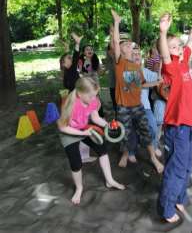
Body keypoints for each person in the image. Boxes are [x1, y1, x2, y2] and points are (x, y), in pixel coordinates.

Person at [157, 1, 192, 223]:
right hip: (176, 126)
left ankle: (178, 197)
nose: (178, 47)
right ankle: (166, 209)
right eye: (173, 45)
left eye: (178, 44)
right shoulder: (171, 66)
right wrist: (163, 32)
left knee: (186, 166)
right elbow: (165, 53)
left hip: (187, 125)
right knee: (175, 169)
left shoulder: (185, 60)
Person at [57, 77, 125, 205]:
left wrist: (107, 125)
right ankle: (79, 188)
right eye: (90, 96)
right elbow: (62, 127)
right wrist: (83, 133)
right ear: (80, 94)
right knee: (75, 161)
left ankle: (109, 180)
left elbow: (95, 117)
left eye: (95, 95)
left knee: (102, 148)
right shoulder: (70, 104)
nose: (93, 99)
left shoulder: (93, 100)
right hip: (69, 132)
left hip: (84, 128)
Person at [111, 9, 163, 173]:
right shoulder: (119, 62)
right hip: (123, 106)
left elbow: (139, 85)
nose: (127, 45)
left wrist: (156, 80)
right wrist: (117, 23)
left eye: (129, 44)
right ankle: (126, 154)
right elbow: (115, 41)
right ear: (121, 51)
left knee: (146, 132)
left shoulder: (136, 67)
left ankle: (153, 159)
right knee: (126, 133)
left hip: (137, 105)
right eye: (124, 44)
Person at [59, 33, 96, 163]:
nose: (71, 59)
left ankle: (84, 156)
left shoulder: (68, 73)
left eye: (70, 58)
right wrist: (77, 44)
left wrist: (68, 47)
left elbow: (71, 58)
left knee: (82, 127)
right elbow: (74, 58)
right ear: (64, 64)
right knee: (82, 127)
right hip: (77, 103)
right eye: (68, 59)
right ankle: (83, 156)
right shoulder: (70, 71)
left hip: (76, 102)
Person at [131, 46, 162, 158]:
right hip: (131, 108)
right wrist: (155, 83)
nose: (137, 56)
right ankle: (130, 152)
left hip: (145, 107)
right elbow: (139, 84)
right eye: (133, 54)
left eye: (138, 54)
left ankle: (153, 146)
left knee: (153, 128)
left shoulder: (145, 71)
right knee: (132, 131)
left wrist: (161, 64)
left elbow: (158, 77)